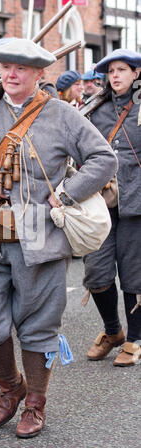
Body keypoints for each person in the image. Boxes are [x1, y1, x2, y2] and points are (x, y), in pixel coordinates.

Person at [0, 38, 117, 438]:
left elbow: (104, 158)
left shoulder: (62, 114)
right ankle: (10, 387)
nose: (11, 75)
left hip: (41, 238)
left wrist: (66, 194)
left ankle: (35, 401)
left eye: (21, 69)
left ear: (37, 74)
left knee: (38, 324)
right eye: (5, 67)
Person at [83, 49, 141, 367]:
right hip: (100, 202)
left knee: (134, 275)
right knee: (96, 273)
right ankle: (113, 331)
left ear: (136, 73)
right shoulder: (95, 107)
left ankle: (134, 339)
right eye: (111, 70)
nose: (115, 75)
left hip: (138, 201)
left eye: (122, 69)